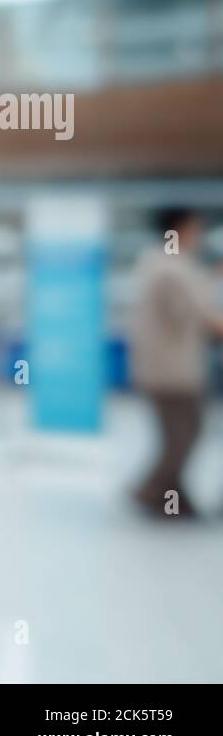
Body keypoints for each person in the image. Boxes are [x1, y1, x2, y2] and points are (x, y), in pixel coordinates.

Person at [129, 207, 223, 518]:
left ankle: (173, 498)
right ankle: (154, 490)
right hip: (172, 372)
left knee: (181, 435)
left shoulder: (162, 262)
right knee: (183, 436)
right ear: (179, 229)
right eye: (194, 227)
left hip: (164, 368)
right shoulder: (171, 268)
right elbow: (192, 313)